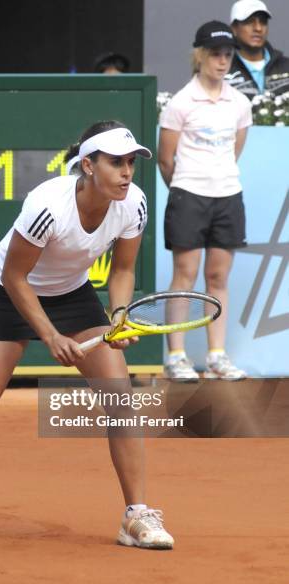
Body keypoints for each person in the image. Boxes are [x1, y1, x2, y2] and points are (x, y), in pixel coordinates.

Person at [0, 120, 174, 552]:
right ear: (87, 165)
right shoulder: (49, 205)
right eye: (115, 162)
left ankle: (136, 516)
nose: (126, 172)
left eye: (130, 163)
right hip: (13, 292)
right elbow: (15, 275)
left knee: (120, 398)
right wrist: (49, 335)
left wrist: (118, 316)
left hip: (73, 293)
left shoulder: (132, 204)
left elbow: (121, 271)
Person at [158, 21, 252, 381]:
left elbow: (235, 149)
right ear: (200, 56)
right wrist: (185, 187)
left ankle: (216, 355)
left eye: (228, 54)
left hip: (228, 197)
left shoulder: (240, 104)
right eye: (216, 53)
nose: (223, 60)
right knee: (185, 275)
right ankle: (176, 356)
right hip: (188, 195)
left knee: (218, 277)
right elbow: (167, 160)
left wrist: (218, 179)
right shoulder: (180, 104)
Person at [225, 0, 289, 97]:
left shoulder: (286, 66)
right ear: (234, 28)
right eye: (249, 22)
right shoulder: (222, 70)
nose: (258, 28)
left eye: (263, 22)